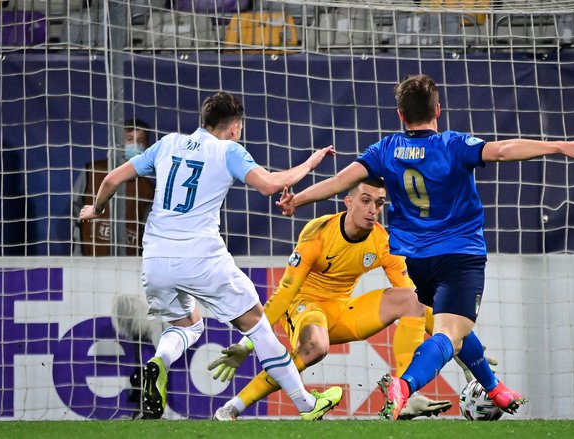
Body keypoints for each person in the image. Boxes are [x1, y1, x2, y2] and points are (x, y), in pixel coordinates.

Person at [275, 74, 574, 420]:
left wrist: (298, 199)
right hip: (460, 255)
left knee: (455, 326)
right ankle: (405, 384)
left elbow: (341, 181)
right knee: (449, 332)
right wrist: (559, 146)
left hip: (418, 260)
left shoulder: (385, 149)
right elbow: (504, 150)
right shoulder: (452, 144)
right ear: (438, 110)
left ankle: (494, 388)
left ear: (401, 114)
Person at [79, 91, 342, 420]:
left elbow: (111, 178)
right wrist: (310, 163)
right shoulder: (228, 150)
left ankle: (158, 362)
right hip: (201, 256)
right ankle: (307, 404)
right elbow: (271, 185)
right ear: (234, 127)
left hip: (156, 257)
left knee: (188, 326)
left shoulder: (168, 143)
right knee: (258, 326)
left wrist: (96, 208)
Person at [208, 178, 453, 421]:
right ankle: (232, 407)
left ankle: (405, 396)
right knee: (316, 346)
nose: (372, 210)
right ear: (348, 202)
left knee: (411, 298)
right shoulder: (318, 234)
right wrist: (246, 344)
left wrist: (453, 337)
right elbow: (284, 294)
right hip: (303, 307)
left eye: (378, 203)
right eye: (365, 201)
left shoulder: (382, 242)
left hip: (341, 310)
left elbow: (418, 301)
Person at [73, 118, 154, 256]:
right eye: (129, 139)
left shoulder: (148, 189)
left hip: (128, 263)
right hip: (88, 259)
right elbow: (75, 211)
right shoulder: (92, 172)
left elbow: (147, 230)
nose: (135, 145)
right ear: (118, 141)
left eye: (140, 141)